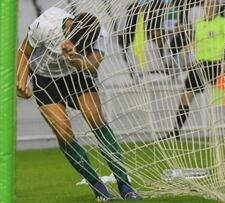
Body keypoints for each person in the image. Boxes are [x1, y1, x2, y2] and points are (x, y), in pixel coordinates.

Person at [16, 7, 142, 201]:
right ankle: (98, 187)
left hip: (77, 75)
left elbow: (93, 66)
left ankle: (124, 184)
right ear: (69, 27)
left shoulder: (100, 35)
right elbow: (24, 51)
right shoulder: (46, 24)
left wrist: (74, 57)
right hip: (45, 79)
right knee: (64, 132)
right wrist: (21, 82)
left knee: (95, 118)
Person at [162, 0, 225, 140]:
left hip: (215, 66)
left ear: (216, 6)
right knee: (185, 96)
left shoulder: (222, 22)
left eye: (212, 4)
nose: (209, 6)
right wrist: (186, 49)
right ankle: (176, 131)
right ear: (203, 6)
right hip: (200, 66)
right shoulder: (198, 22)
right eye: (207, 3)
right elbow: (197, 41)